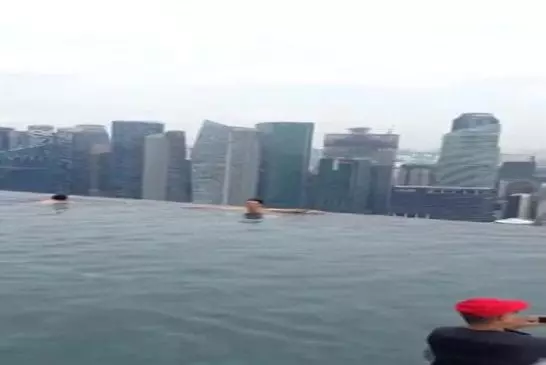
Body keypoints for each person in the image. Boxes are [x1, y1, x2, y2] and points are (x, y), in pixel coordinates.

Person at [425, 297, 546, 365]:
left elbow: (481, 335)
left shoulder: (440, 335)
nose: (518, 315)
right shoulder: (531, 345)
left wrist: (503, 327)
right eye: (514, 313)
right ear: (501, 317)